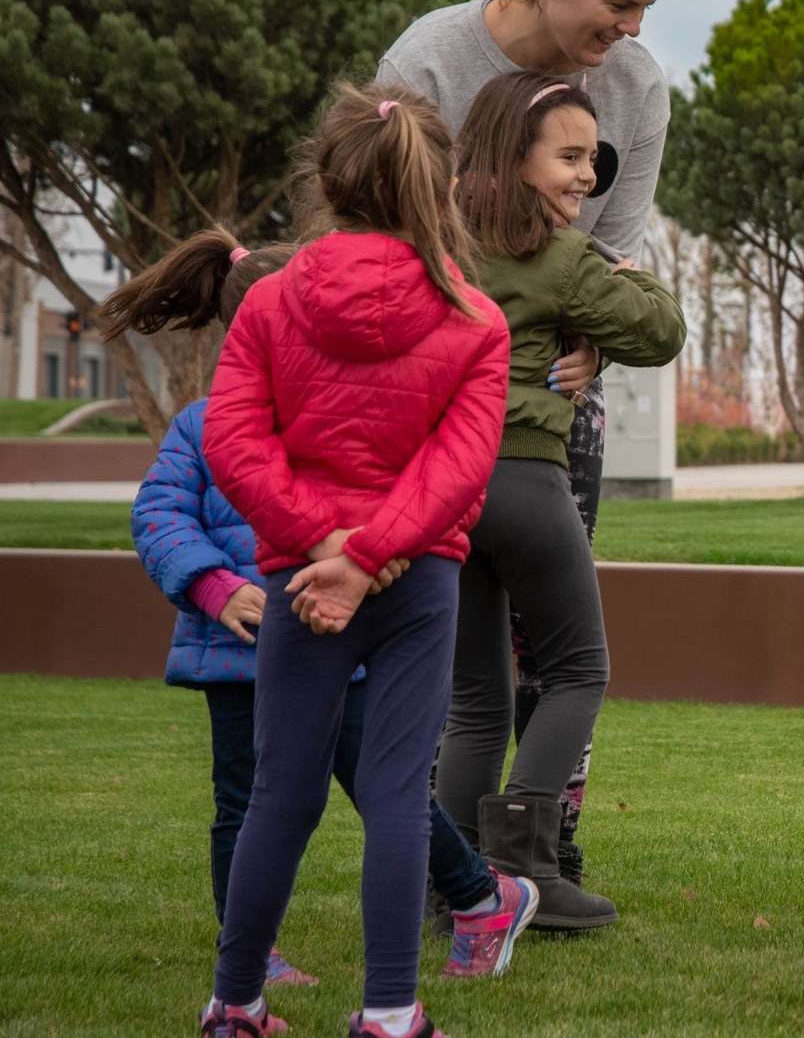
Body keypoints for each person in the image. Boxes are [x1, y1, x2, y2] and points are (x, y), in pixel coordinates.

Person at [106, 235, 537, 997]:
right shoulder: (208, 428)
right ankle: (250, 954)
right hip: (236, 655)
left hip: (350, 645)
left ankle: (478, 896)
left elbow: (402, 501)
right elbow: (160, 515)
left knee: (387, 790)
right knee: (247, 802)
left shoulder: (341, 425)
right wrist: (212, 587)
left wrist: (380, 555)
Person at [380, 0, 677, 894]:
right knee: (512, 667)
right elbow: (387, 237)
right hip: (435, 410)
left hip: (555, 405)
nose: (631, 31)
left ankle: (526, 854)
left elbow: (615, 254)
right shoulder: (429, 60)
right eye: (617, 6)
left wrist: (585, 336)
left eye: (644, 10)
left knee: (523, 666)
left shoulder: (637, 89)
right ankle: (484, 866)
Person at [193, 85, 512, 1038]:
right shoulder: (477, 321)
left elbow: (234, 440)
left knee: (280, 790)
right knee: (396, 795)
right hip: (414, 581)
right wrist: (369, 552)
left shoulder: (269, 303)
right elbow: (459, 471)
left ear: (325, 181)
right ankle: (387, 1012)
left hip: (301, 581)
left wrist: (324, 546)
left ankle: (234, 1003)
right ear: (444, 183)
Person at [432, 72, 686, 929]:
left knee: (474, 698)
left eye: (592, 160)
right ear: (515, 157)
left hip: (448, 493)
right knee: (579, 670)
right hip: (529, 483)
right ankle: (521, 873)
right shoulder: (565, 258)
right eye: (570, 156)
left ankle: (453, 885)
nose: (588, 176)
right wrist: (625, 273)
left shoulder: (438, 248)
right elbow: (660, 332)